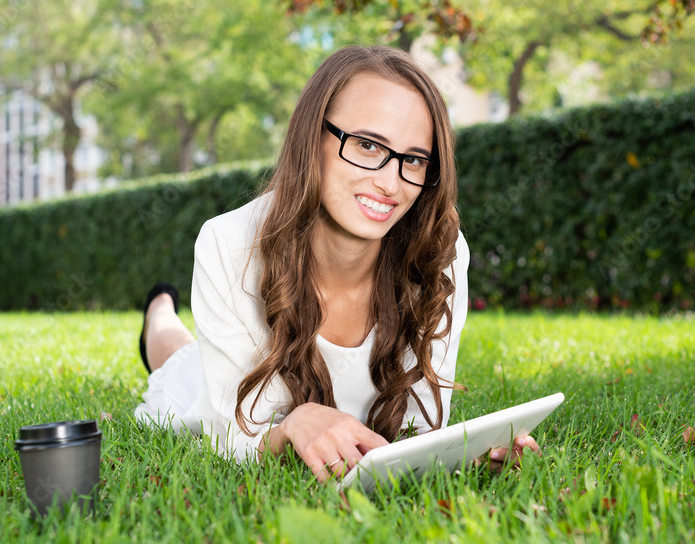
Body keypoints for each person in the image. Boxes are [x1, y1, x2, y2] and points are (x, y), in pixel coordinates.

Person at [133, 45, 538, 482]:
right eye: (367, 145)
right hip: (210, 377)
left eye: (414, 159)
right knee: (176, 359)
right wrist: (289, 427)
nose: (390, 182)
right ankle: (158, 307)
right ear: (313, 137)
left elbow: (420, 426)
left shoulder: (439, 249)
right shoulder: (229, 242)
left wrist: (464, 454)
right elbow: (227, 432)